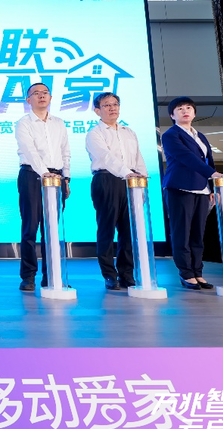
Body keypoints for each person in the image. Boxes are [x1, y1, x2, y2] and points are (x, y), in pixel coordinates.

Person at [161, 96, 223, 290]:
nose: (185, 111)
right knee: (182, 233)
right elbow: (186, 157)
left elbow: (208, 161)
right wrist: (212, 174)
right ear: (172, 115)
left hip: (202, 188)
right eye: (180, 108)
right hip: (180, 187)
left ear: (194, 113)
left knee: (198, 234)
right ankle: (186, 273)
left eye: (189, 108)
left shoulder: (200, 136)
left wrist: (212, 187)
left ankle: (198, 272)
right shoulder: (170, 135)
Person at [84, 92, 148, 290]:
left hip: (131, 182)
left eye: (115, 104)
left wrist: (141, 181)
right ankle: (109, 275)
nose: (112, 108)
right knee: (107, 229)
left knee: (128, 231)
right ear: (97, 110)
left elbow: (138, 158)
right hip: (106, 180)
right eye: (106, 105)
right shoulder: (95, 133)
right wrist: (127, 173)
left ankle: (127, 274)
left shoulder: (129, 132)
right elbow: (106, 157)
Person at [15, 82, 71, 292]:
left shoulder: (59, 123)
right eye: (36, 93)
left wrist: (66, 177)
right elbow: (29, 151)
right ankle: (28, 276)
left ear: (50, 97)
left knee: (52, 230)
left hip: (56, 178)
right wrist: (44, 172)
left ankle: (52, 276)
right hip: (32, 175)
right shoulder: (24, 123)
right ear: (28, 100)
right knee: (30, 228)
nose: (41, 96)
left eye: (45, 93)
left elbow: (65, 151)